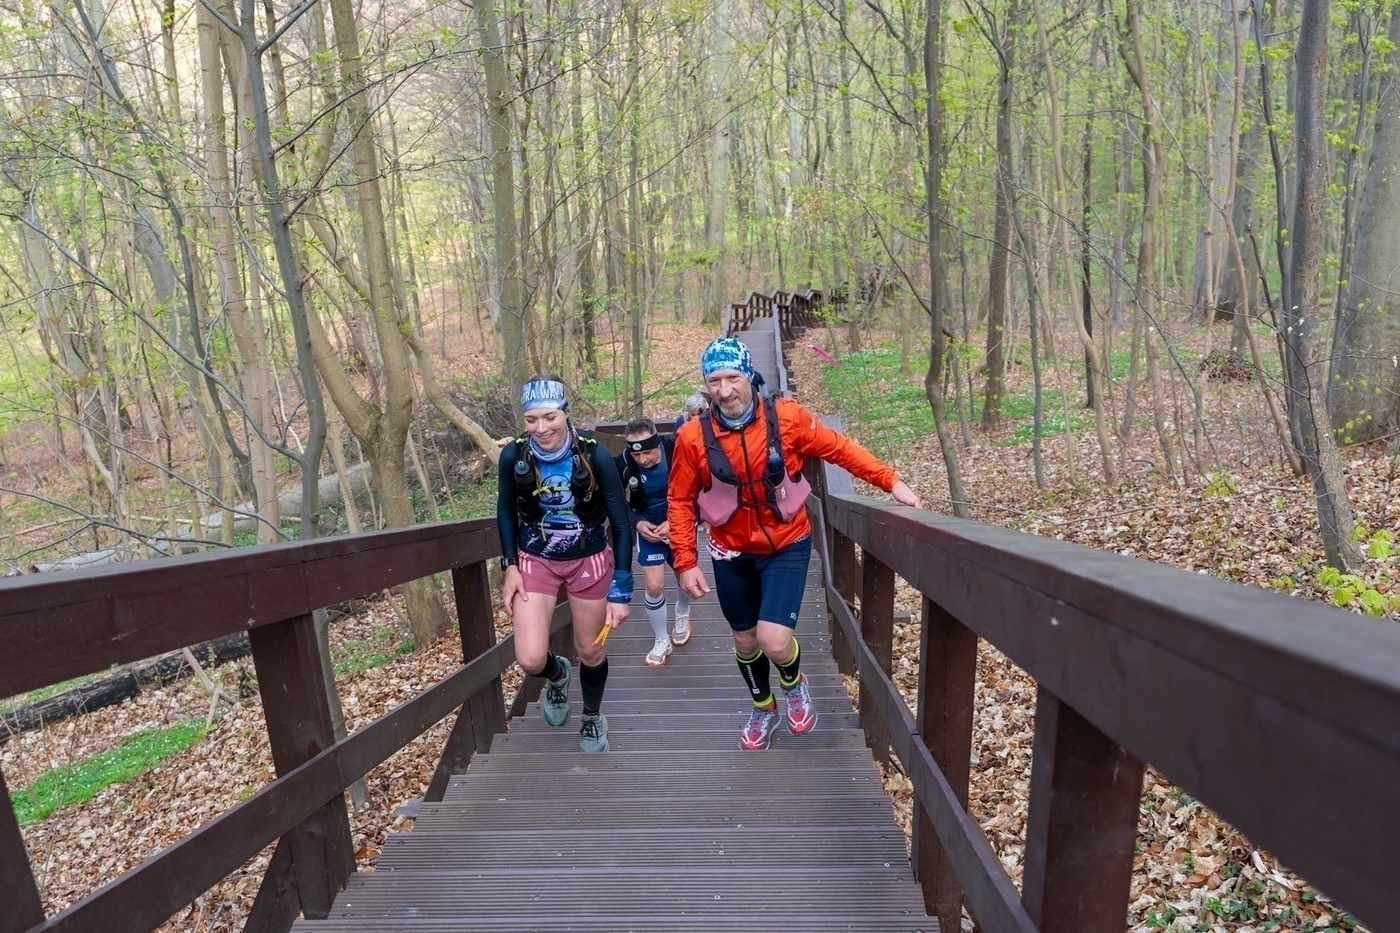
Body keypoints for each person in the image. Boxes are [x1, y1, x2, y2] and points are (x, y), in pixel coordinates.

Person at [668, 337, 921, 750]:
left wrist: (890, 481)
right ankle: (763, 707)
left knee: (774, 640)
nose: (725, 390)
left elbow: (839, 448)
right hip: (729, 549)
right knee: (745, 640)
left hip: (786, 542)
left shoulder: (785, 417)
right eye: (714, 381)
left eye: (733, 377)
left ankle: (793, 682)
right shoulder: (693, 437)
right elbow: (679, 499)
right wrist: (684, 560)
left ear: (749, 375)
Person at [497, 376, 633, 752]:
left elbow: (621, 522)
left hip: (587, 557)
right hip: (535, 557)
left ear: (566, 413)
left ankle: (591, 716)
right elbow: (505, 509)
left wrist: (621, 586)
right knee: (529, 657)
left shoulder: (594, 454)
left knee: (590, 650)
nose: (541, 428)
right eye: (531, 419)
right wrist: (510, 565)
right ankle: (557, 676)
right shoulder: (515, 455)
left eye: (550, 417)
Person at [614, 417, 703, 665]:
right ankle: (661, 639)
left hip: (681, 524)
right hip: (649, 530)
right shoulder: (622, 463)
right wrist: (637, 523)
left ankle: (682, 613)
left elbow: (704, 488)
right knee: (653, 586)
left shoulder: (677, 450)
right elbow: (615, 500)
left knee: (682, 577)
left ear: (657, 443)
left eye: (649, 453)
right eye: (637, 455)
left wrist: (678, 522)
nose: (644, 460)